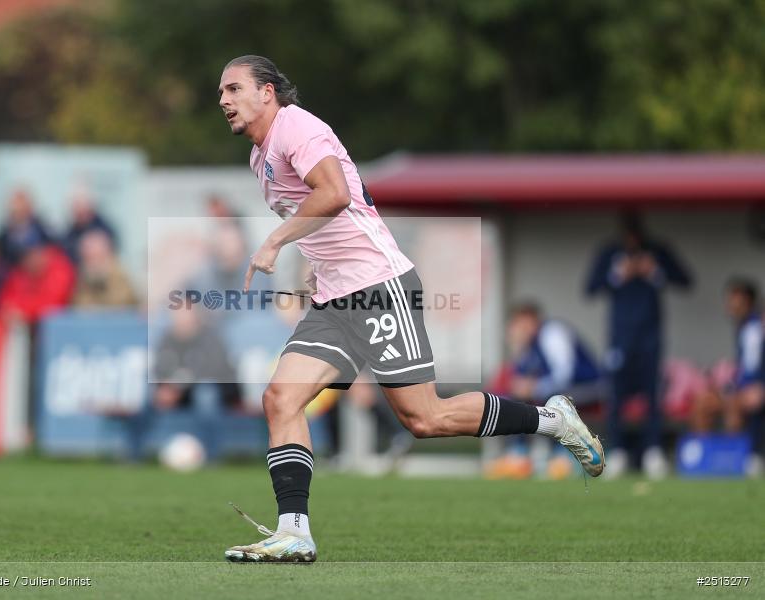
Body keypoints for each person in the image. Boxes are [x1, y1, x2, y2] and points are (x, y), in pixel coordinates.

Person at [217, 55, 605, 563]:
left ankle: (551, 419)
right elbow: (335, 213)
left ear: (267, 92)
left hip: (380, 286)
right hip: (336, 296)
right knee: (280, 399)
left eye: (233, 88)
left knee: (424, 418)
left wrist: (274, 242)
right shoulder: (260, 156)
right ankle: (294, 532)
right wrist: (315, 263)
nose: (223, 100)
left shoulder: (297, 125)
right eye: (221, 92)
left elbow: (333, 194)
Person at [585, 212, 692, 479]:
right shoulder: (610, 253)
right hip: (619, 338)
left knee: (653, 396)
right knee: (616, 397)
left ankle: (653, 451)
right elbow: (589, 288)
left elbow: (685, 280)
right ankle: (617, 452)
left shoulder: (657, 251)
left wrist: (653, 270)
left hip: (650, 337)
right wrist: (618, 274)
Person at [492, 302, 605, 479]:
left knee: (552, 398)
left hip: (588, 387)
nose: (515, 329)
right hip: (560, 390)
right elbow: (520, 378)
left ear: (529, 320)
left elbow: (565, 375)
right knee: (517, 398)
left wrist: (534, 387)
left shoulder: (551, 333)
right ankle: (519, 455)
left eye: (518, 323)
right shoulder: (529, 345)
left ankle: (566, 456)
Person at [691, 278, 764, 474]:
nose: (731, 305)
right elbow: (745, 370)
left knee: (734, 405)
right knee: (703, 403)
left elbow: (754, 372)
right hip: (743, 389)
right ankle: (702, 459)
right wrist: (728, 386)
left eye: (736, 301)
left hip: (756, 391)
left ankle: (745, 459)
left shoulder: (756, 328)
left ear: (748, 302)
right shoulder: (742, 328)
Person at [71, 231, 137, 308]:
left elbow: (122, 301)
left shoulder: (122, 277)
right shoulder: (79, 281)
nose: (95, 263)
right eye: (90, 258)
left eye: (99, 257)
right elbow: (81, 306)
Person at [0, 188, 55, 265]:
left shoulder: (45, 234)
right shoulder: (2, 241)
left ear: (30, 208)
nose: (19, 211)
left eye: (22, 209)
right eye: (16, 210)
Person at [62, 186, 117, 264]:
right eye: (76, 205)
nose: (80, 210)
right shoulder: (69, 236)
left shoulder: (105, 231)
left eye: (82, 204)